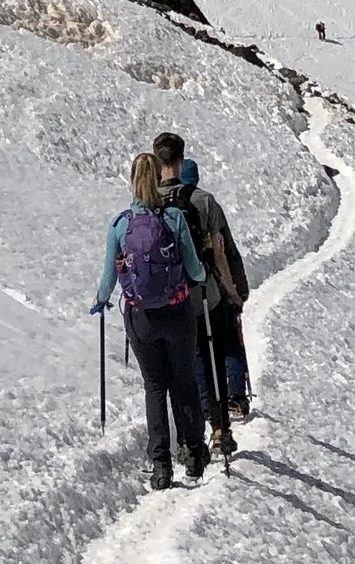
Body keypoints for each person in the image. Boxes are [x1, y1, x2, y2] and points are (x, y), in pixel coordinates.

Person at [92, 149, 211, 489]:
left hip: (141, 316)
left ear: (132, 181)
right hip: (177, 311)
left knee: (155, 386)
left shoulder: (121, 224)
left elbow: (108, 275)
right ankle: (192, 451)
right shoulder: (174, 219)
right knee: (184, 382)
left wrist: (101, 301)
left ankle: (160, 462)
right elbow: (194, 269)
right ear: (160, 178)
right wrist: (201, 274)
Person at [153, 129, 250, 456]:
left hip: (166, 298)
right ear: (181, 159)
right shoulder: (203, 201)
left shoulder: (149, 202)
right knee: (216, 355)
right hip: (206, 294)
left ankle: (190, 436)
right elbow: (223, 251)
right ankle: (220, 427)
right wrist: (236, 290)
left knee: (188, 365)